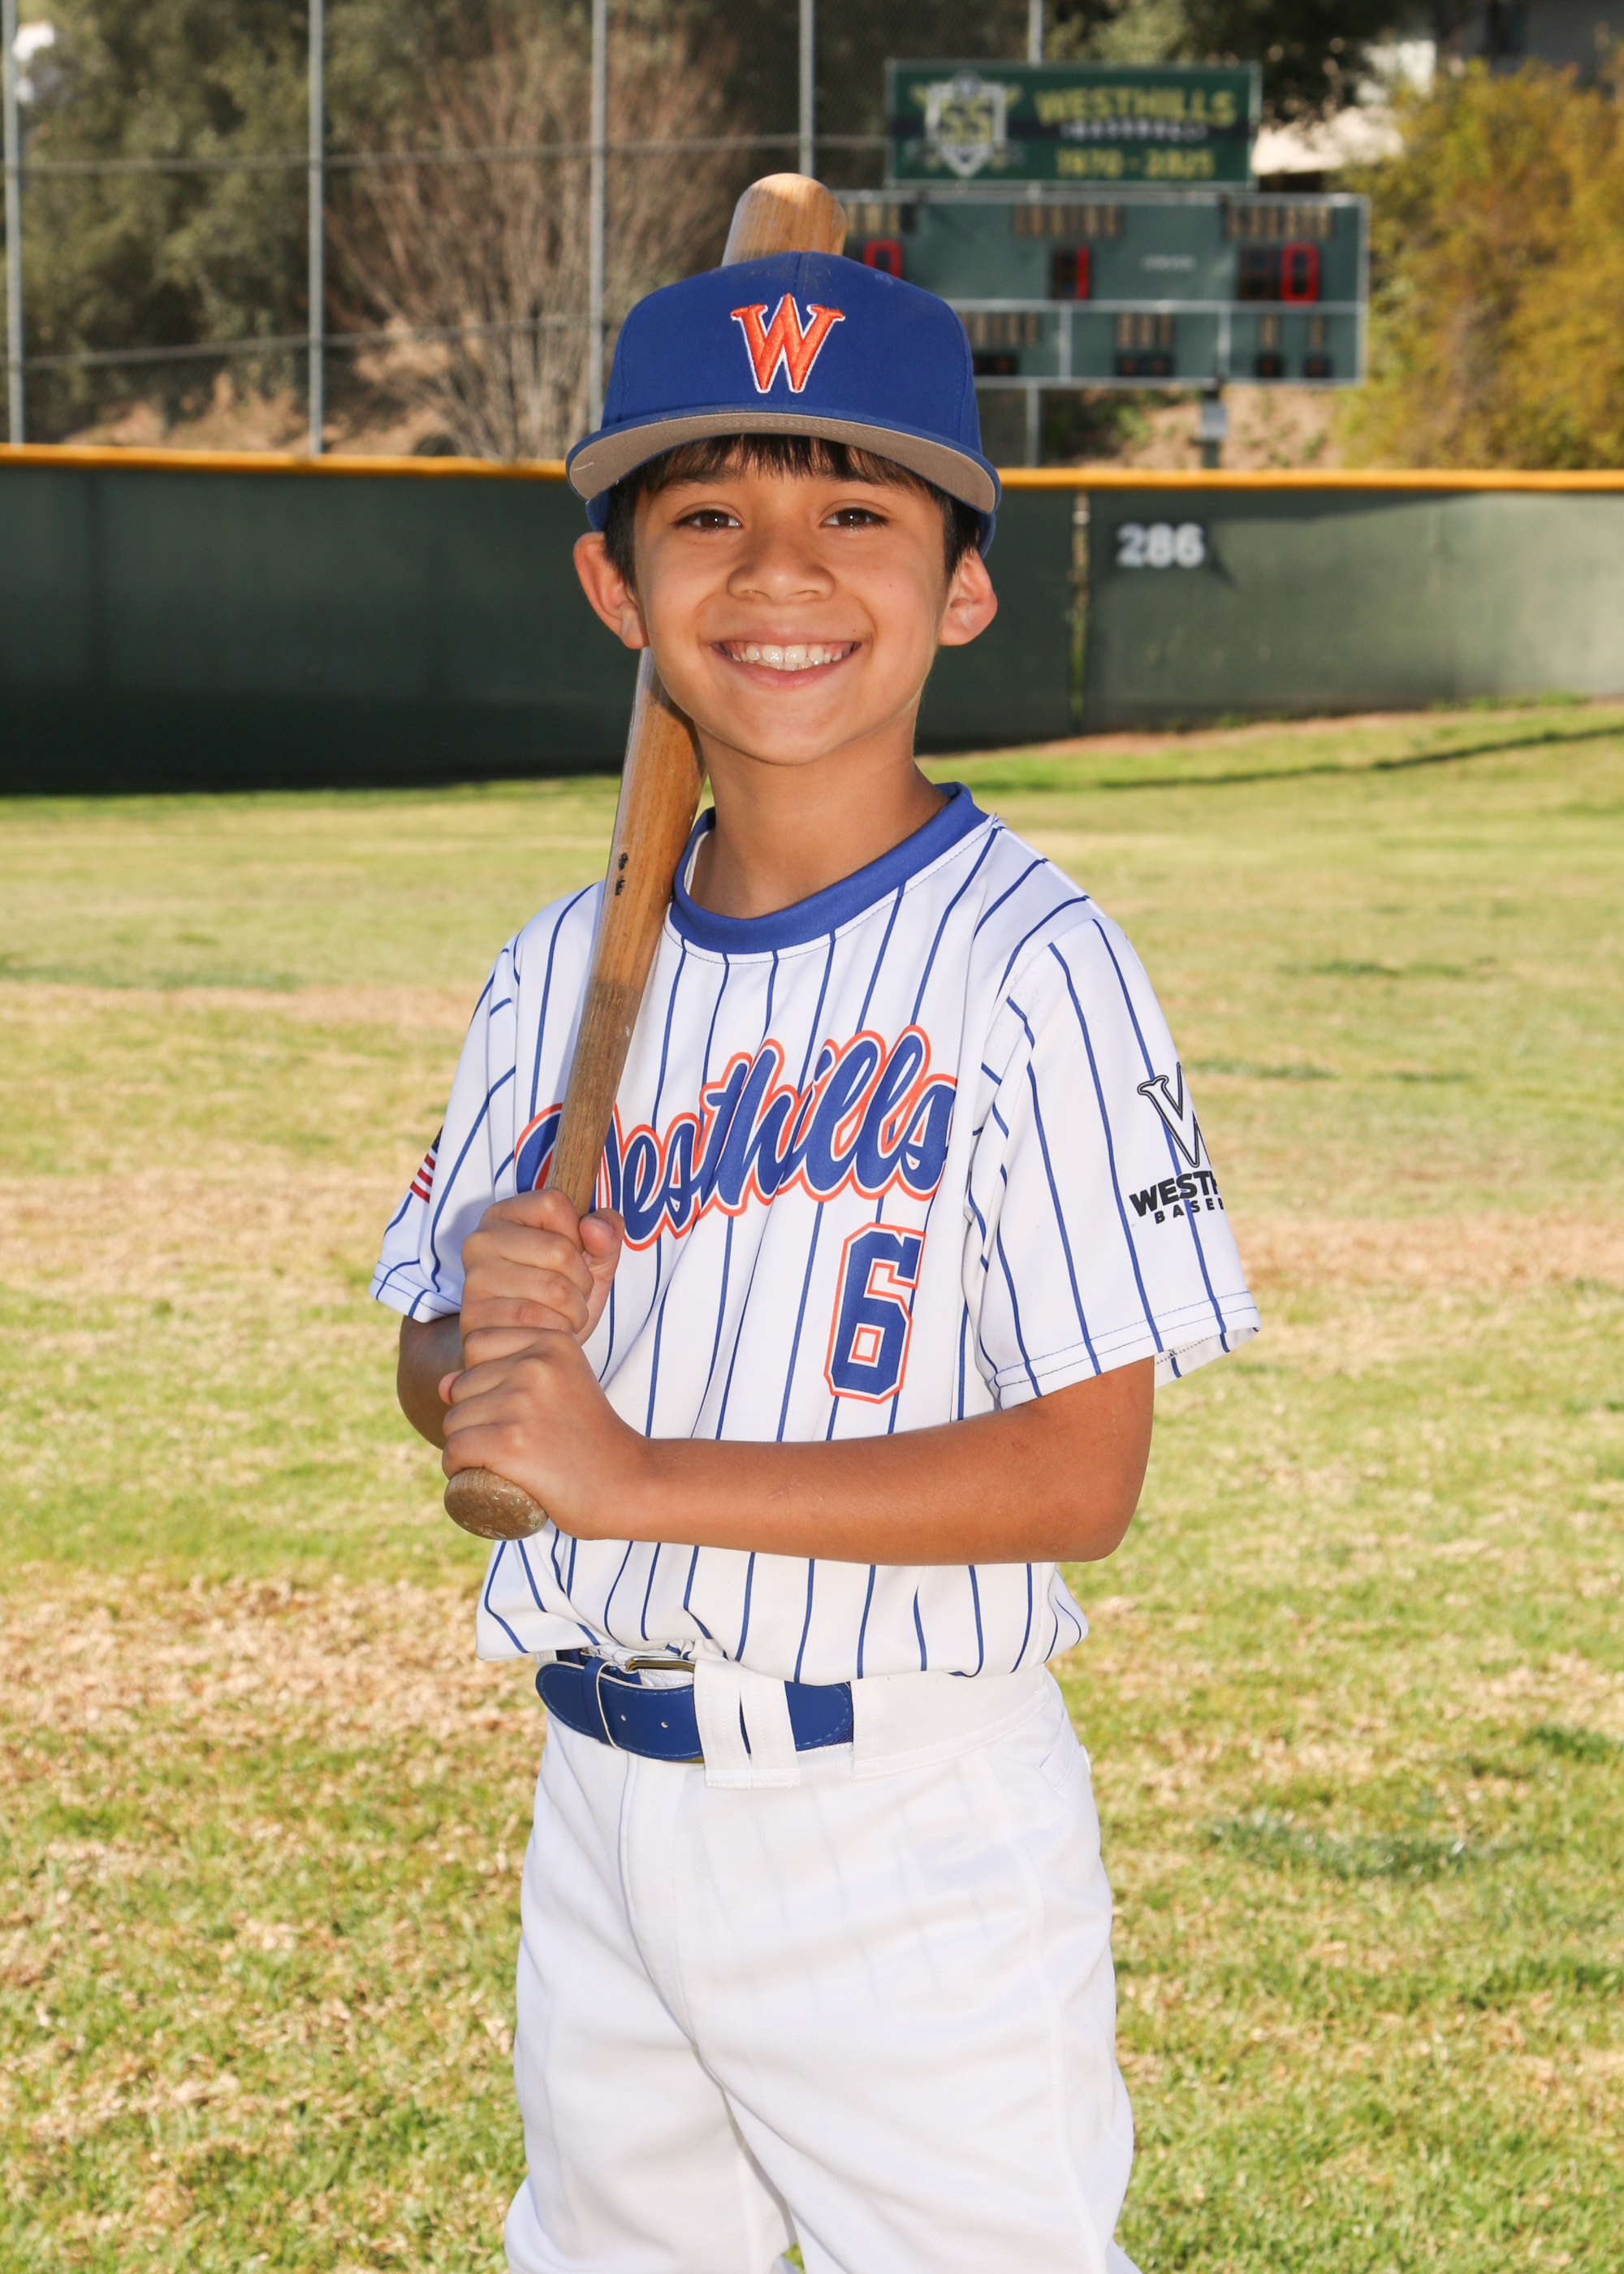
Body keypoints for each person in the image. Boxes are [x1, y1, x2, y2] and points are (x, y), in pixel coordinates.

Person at [373, 249, 1258, 2274]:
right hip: (600, 1791)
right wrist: (477, 1340)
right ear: (617, 587)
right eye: (708, 516)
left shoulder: (1033, 964)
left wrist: (633, 1473)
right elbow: (449, 1378)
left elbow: (1081, 1475)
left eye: (856, 511)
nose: (781, 571)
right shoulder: (553, 968)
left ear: (963, 585)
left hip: (899, 1822)